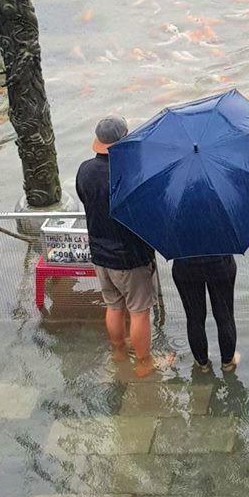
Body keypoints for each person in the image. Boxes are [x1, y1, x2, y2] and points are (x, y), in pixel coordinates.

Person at [76, 115, 158, 375]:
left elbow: (84, 198)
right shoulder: (131, 173)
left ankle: (119, 351)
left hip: (100, 254)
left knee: (113, 306)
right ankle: (144, 363)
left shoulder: (85, 171)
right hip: (131, 257)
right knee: (139, 312)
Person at [172, 254, 240, 372]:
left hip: (186, 264)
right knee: (225, 316)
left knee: (194, 318)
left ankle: (202, 363)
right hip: (220, 262)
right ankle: (227, 363)